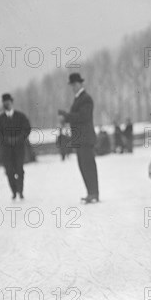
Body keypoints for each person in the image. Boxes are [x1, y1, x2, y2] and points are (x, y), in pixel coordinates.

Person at [59, 73, 100, 204]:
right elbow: (77, 116)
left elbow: (83, 116)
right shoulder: (78, 99)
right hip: (80, 140)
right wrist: (67, 117)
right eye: (72, 85)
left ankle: (94, 193)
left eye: (75, 84)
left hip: (85, 140)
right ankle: (90, 193)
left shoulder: (86, 98)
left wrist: (66, 116)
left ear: (81, 84)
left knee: (89, 167)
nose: (73, 87)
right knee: (83, 168)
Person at [0, 93, 31, 200]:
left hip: (19, 148)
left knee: (19, 170)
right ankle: (14, 192)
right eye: (5, 103)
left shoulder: (21, 116)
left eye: (8, 102)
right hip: (6, 150)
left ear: (12, 102)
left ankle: (20, 191)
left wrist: (18, 139)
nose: (7, 104)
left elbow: (27, 129)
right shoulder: (0, 119)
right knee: (9, 171)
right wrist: (6, 140)